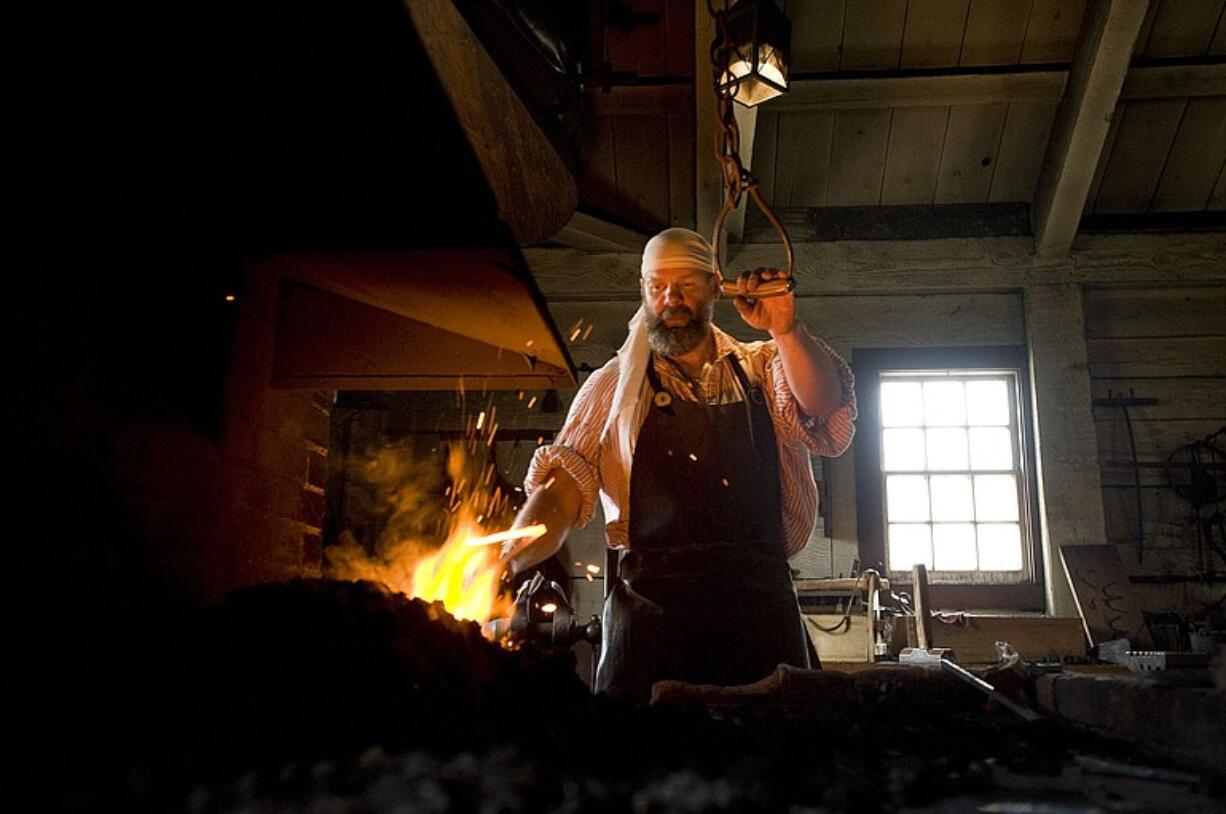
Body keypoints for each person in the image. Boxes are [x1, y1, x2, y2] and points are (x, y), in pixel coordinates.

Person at [502, 227, 856, 702]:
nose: (671, 298)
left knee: (771, 757)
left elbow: (823, 403)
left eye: (686, 284)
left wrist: (786, 329)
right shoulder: (614, 387)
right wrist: (509, 559)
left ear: (715, 284)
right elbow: (564, 487)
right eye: (657, 286)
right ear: (644, 291)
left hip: (758, 608)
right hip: (650, 618)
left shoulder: (765, 366)